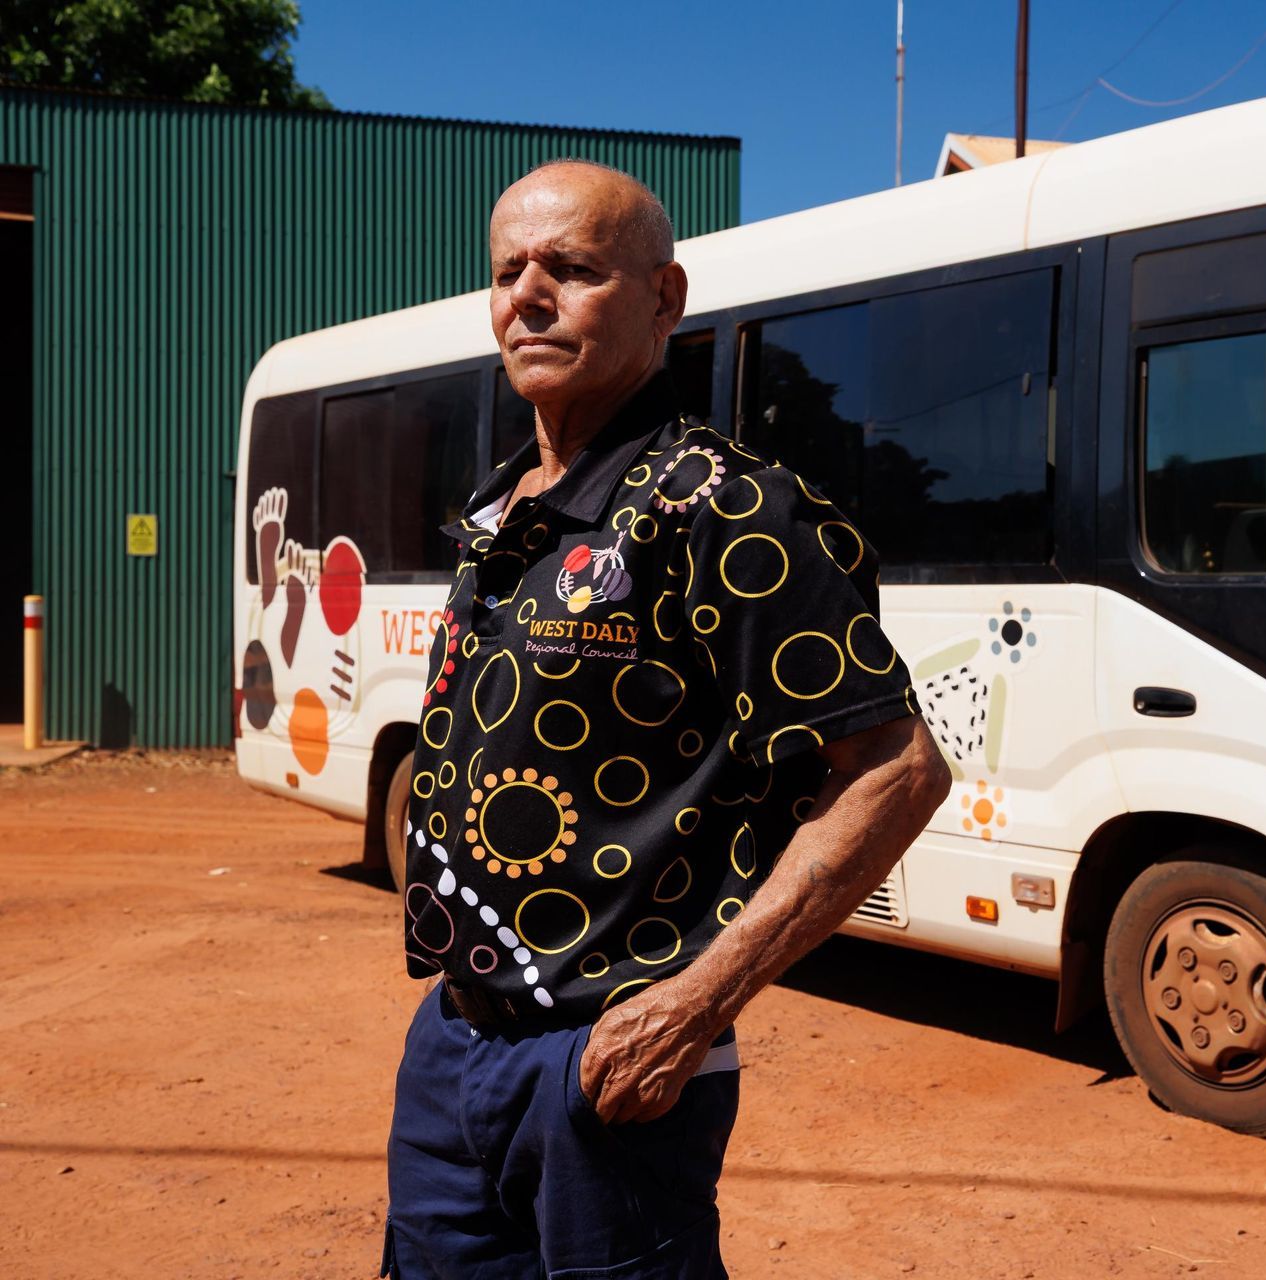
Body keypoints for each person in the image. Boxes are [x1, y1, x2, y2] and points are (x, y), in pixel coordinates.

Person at [382, 159, 950, 1279]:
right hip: (452, 1043)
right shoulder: (503, 509)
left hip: (608, 1062)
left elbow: (897, 767)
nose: (527, 296)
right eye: (508, 272)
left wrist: (696, 1005)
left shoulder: (722, 505)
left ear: (664, 299)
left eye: (574, 269)